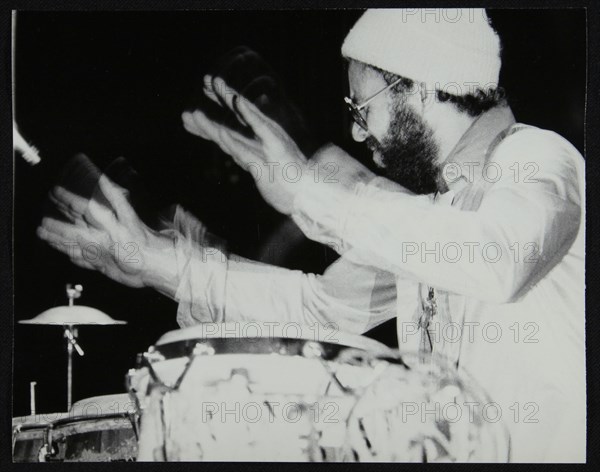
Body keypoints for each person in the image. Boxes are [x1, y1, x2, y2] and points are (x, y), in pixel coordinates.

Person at [37, 9, 585, 462]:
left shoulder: (538, 159)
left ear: (419, 88)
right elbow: (322, 309)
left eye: (360, 107)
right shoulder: (426, 213)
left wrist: (308, 193)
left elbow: (497, 257)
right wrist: (161, 263)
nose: (354, 130)